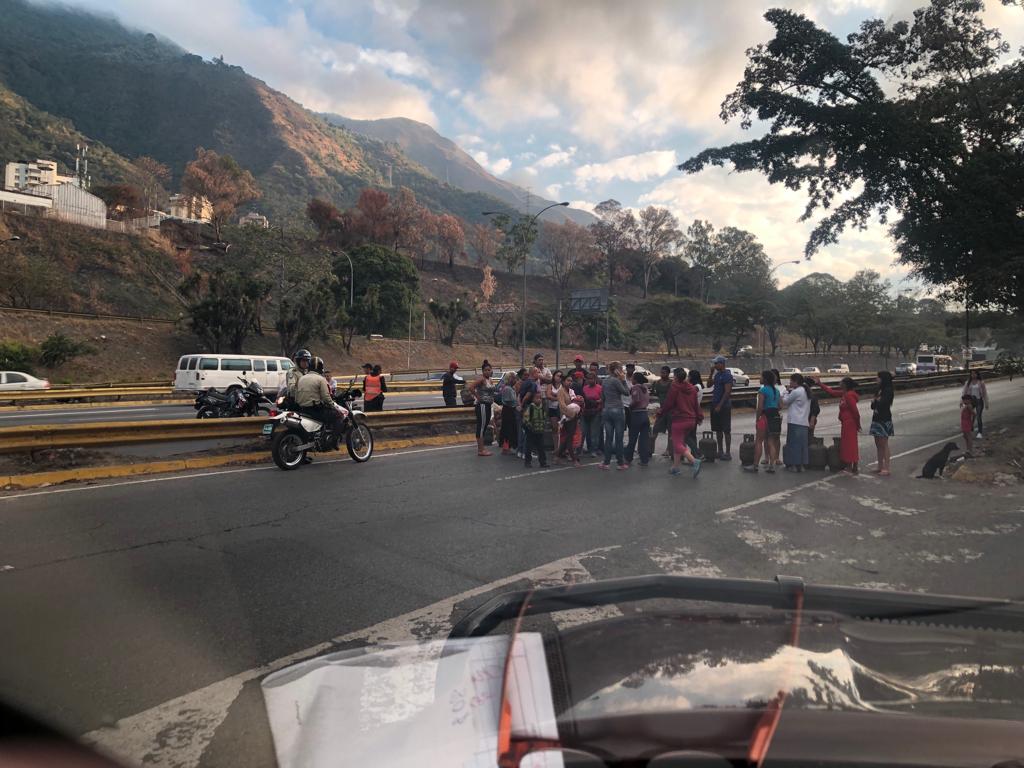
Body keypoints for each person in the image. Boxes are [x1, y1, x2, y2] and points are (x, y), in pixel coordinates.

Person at [657, 367, 702, 478]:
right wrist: (699, 416)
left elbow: (669, 403)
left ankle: (694, 461)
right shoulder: (691, 388)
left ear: (676, 377)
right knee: (680, 442)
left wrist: (660, 413)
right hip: (691, 419)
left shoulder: (674, 388)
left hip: (679, 419)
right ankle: (675, 467)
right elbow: (696, 404)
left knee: (677, 444)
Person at [816, 375, 861, 474]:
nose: (839, 383)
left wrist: (858, 424)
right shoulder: (844, 394)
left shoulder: (849, 396)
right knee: (849, 444)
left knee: (850, 445)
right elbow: (831, 392)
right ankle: (853, 466)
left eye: (841, 382)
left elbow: (855, 411)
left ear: (845, 385)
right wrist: (820, 384)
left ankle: (851, 466)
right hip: (846, 423)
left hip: (850, 423)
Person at [295, 356, 345, 438]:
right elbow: (326, 397)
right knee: (339, 416)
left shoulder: (301, 378)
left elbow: (296, 396)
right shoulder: (321, 379)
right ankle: (333, 441)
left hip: (302, 410)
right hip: (315, 411)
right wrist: (334, 406)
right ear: (321, 367)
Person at [747, 370, 781, 473]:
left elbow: (760, 407)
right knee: (771, 442)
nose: (759, 378)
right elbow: (780, 405)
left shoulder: (763, 390)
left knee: (759, 441)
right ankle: (772, 465)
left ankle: (755, 465)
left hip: (765, 416)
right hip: (775, 417)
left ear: (765, 379)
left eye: (761, 377)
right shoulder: (776, 391)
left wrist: (757, 419)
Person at [600, 361, 630, 470]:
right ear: (616, 370)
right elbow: (626, 392)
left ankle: (606, 463)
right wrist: (624, 380)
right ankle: (620, 463)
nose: (622, 371)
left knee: (608, 438)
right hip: (617, 409)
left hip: (607, 410)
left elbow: (602, 398)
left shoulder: (605, 381)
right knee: (619, 438)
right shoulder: (617, 381)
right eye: (621, 369)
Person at [782, 373, 811, 472]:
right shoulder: (806, 391)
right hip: (804, 421)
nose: (790, 382)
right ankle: (802, 466)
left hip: (794, 421)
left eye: (791, 381)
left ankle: (794, 465)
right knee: (802, 445)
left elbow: (785, 401)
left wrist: (786, 392)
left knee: (793, 444)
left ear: (795, 382)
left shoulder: (796, 392)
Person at [466, 360, 496, 457]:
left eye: (489, 370)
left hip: (488, 405)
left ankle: (482, 448)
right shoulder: (481, 379)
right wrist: (477, 396)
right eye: (486, 370)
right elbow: (471, 387)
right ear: (483, 371)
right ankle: (481, 450)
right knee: (481, 427)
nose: (488, 372)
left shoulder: (490, 380)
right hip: (482, 405)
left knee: (485, 425)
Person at [870, 371, 895, 476]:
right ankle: (880, 466)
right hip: (876, 418)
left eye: (878, 377)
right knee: (877, 443)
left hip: (884, 418)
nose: (876, 379)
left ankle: (886, 467)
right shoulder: (878, 390)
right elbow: (873, 405)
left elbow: (882, 403)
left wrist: (876, 401)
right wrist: (876, 401)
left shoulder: (888, 390)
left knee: (884, 443)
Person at [624, 372, 652, 466]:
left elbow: (636, 400)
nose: (631, 379)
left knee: (632, 438)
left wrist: (630, 406)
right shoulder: (645, 388)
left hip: (637, 414)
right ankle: (644, 460)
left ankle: (628, 458)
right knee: (644, 439)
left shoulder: (635, 387)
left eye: (632, 378)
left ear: (635, 379)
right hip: (645, 413)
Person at [710, 356, 734, 460]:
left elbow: (727, 391)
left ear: (722, 364)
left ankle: (728, 452)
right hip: (715, 404)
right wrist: (711, 373)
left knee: (726, 429)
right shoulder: (717, 375)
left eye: (716, 364)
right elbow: (708, 384)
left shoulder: (727, 375)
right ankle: (720, 450)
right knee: (718, 429)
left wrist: (720, 405)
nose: (715, 365)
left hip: (724, 406)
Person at [556, 374, 582, 466]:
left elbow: (575, 402)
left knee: (568, 437)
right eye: (568, 380)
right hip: (566, 417)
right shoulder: (561, 392)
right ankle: (574, 459)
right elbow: (562, 406)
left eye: (571, 381)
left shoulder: (571, 391)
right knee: (569, 438)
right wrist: (571, 414)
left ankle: (558, 456)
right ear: (563, 381)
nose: (570, 382)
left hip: (573, 416)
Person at [650, 366, 673, 457]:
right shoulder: (657, 383)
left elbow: (672, 397)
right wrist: (656, 407)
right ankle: (650, 448)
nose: (662, 374)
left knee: (670, 431)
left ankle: (668, 450)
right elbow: (654, 396)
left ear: (668, 373)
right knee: (655, 429)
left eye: (664, 373)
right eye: (661, 372)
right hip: (661, 410)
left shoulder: (671, 383)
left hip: (670, 410)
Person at [522, 389, 548, 468]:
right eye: (537, 398)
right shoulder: (530, 408)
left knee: (541, 448)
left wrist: (543, 426)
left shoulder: (542, 408)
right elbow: (526, 418)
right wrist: (530, 426)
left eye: (540, 398)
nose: (539, 399)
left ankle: (543, 462)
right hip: (531, 431)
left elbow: (544, 418)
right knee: (529, 447)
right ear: (533, 399)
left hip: (540, 431)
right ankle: (528, 462)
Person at [581, 370, 604, 457]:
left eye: (591, 379)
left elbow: (602, 400)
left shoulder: (600, 388)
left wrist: (596, 402)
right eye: (588, 379)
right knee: (585, 431)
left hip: (596, 412)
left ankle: (594, 450)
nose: (590, 381)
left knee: (594, 433)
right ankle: (586, 448)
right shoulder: (584, 388)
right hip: (585, 412)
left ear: (595, 379)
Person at [498, 371, 520, 455]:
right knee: (507, 429)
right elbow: (511, 401)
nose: (515, 380)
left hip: (510, 409)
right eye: (514, 378)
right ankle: (506, 447)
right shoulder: (508, 389)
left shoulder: (510, 388)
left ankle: (508, 446)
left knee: (509, 428)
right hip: (509, 410)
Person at [962, 370, 989, 438]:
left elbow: (985, 393)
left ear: (977, 374)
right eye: (972, 374)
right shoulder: (968, 383)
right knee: (969, 415)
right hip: (971, 401)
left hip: (979, 401)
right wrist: (962, 401)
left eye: (974, 374)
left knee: (979, 416)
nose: (973, 375)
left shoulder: (981, 382)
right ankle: (969, 428)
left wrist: (986, 403)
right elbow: (964, 393)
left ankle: (980, 432)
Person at [686, 369, 705, 458]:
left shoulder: (696, 387)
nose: (687, 378)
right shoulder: (697, 386)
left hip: (692, 412)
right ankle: (695, 455)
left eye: (689, 376)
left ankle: (697, 453)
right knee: (692, 435)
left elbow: (687, 393)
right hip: (693, 412)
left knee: (687, 435)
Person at [545, 370, 564, 436]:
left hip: (562, 408)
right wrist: (559, 397)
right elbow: (548, 396)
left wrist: (555, 395)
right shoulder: (550, 386)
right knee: (555, 427)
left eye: (560, 376)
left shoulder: (563, 386)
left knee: (562, 427)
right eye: (557, 376)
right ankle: (556, 444)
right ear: (554, 376)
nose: (559, 377)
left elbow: (565, 396)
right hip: (552, 408)